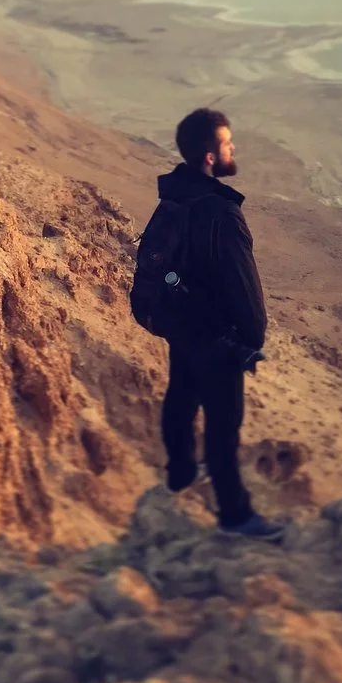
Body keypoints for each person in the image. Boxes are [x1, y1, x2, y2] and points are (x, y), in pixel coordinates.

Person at [140, 107, 282, 541]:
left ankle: (181, 472)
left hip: (182, 323)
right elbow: (243, 283)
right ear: (209, 156)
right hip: (217, 335)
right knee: (224, 424)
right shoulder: (221, 212)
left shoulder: (174, 195)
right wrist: (250, 338)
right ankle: (235, 516)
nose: (232, 148)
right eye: (226, 143)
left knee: (181, 396)